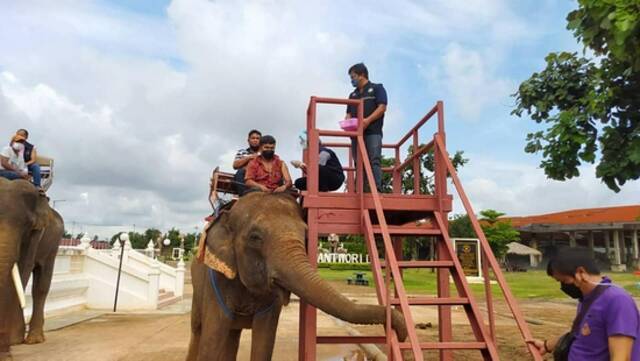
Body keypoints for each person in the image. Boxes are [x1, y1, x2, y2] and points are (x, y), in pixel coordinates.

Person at [529, 248, 640, 360]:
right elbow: (580, 333)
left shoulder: (617, 300)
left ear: (581, 272)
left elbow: (621, 357)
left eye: (564, 281)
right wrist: (547, 345)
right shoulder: (588, 299)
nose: (563, 287)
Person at [345, 62, 387, 192]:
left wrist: (367, 120)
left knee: (374, 159)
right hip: (356, 134)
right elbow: (348, 113)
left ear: (362, 75)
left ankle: (376, 189)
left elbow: (382, 107)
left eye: (353, 77)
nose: (352, 80)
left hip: (373, 132)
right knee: (359, 163)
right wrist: (347, 123)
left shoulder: (377, 88)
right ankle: (361, 191)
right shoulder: (352, 95)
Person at [232, 129, 262, 194]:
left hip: (260, 177)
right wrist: (249, 158)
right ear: (248, 140)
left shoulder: (265, 153)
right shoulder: (242, 152)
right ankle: (244, 195)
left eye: (257, 138)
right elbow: (235, 165)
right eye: (253, 138)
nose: (255, 140)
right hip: (245, 178)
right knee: (240, 172)